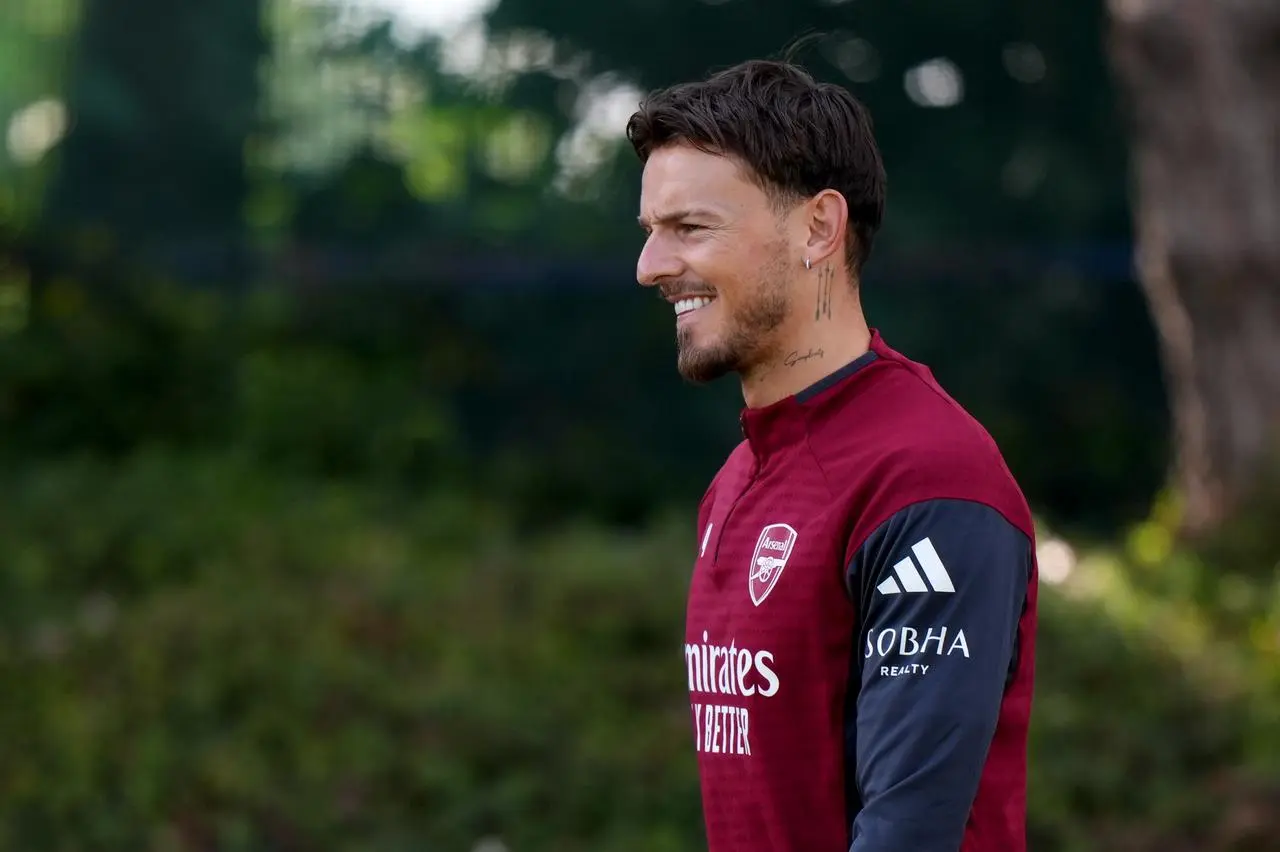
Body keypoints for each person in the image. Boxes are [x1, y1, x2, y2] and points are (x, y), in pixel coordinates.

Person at [626, 58, 1039, 852]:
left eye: (691, 228)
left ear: (818, 227)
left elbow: (909, 834)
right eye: (650, 232)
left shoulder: (926, 480)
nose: (650, 266)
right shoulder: (737, 481)